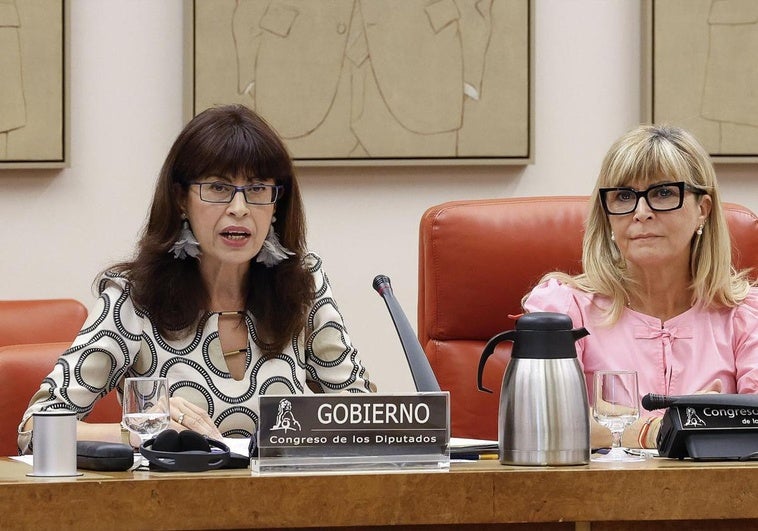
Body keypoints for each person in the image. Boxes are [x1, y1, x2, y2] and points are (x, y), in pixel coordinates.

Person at [18, 104, 376, 454]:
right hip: (171, 506)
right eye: (218, 188)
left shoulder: (303, 286)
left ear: (276, 203)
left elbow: (365, 418)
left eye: (257, 189)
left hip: (287, 506)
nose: (239, 208)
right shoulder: (136, 297)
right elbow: (37, 428)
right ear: (181, 200)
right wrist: (147, 430)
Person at [522, 124, 758, 449]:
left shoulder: (746, 314)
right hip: (591, 496)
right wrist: (663, 427)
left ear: (702, 210)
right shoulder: (562, 309)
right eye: (624, 196)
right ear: (606, 215)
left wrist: (609, 422)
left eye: (663, 193)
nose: (641, 213)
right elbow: (544, 422)